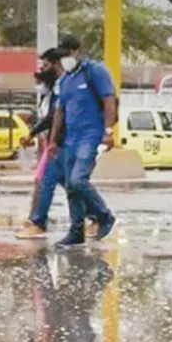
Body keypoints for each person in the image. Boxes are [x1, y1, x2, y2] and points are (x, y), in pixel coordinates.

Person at [16, 47, 99, 239]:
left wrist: (35, 133)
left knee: (46, 180)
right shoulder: (59, 86)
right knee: (68, 184)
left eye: (46, 65)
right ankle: (96, 216)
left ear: (56, 65)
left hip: (67, 141)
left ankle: (38, 222)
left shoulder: (67, 84)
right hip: (61, 141)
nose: (42, 70)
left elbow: (55, 116)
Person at [48, 35, 118, 247]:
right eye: (62, 56)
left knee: (79, 180)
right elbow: (59, 112)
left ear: (78, 51)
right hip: (71, 138)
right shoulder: (66, 80)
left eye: (68, 54)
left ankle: (103, 215)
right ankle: (76, 230)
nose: (65, 59)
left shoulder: (95, 71)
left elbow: (109, 100)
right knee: (71, 187)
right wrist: (52, 140)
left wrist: (108, 131)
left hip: (91, 136)